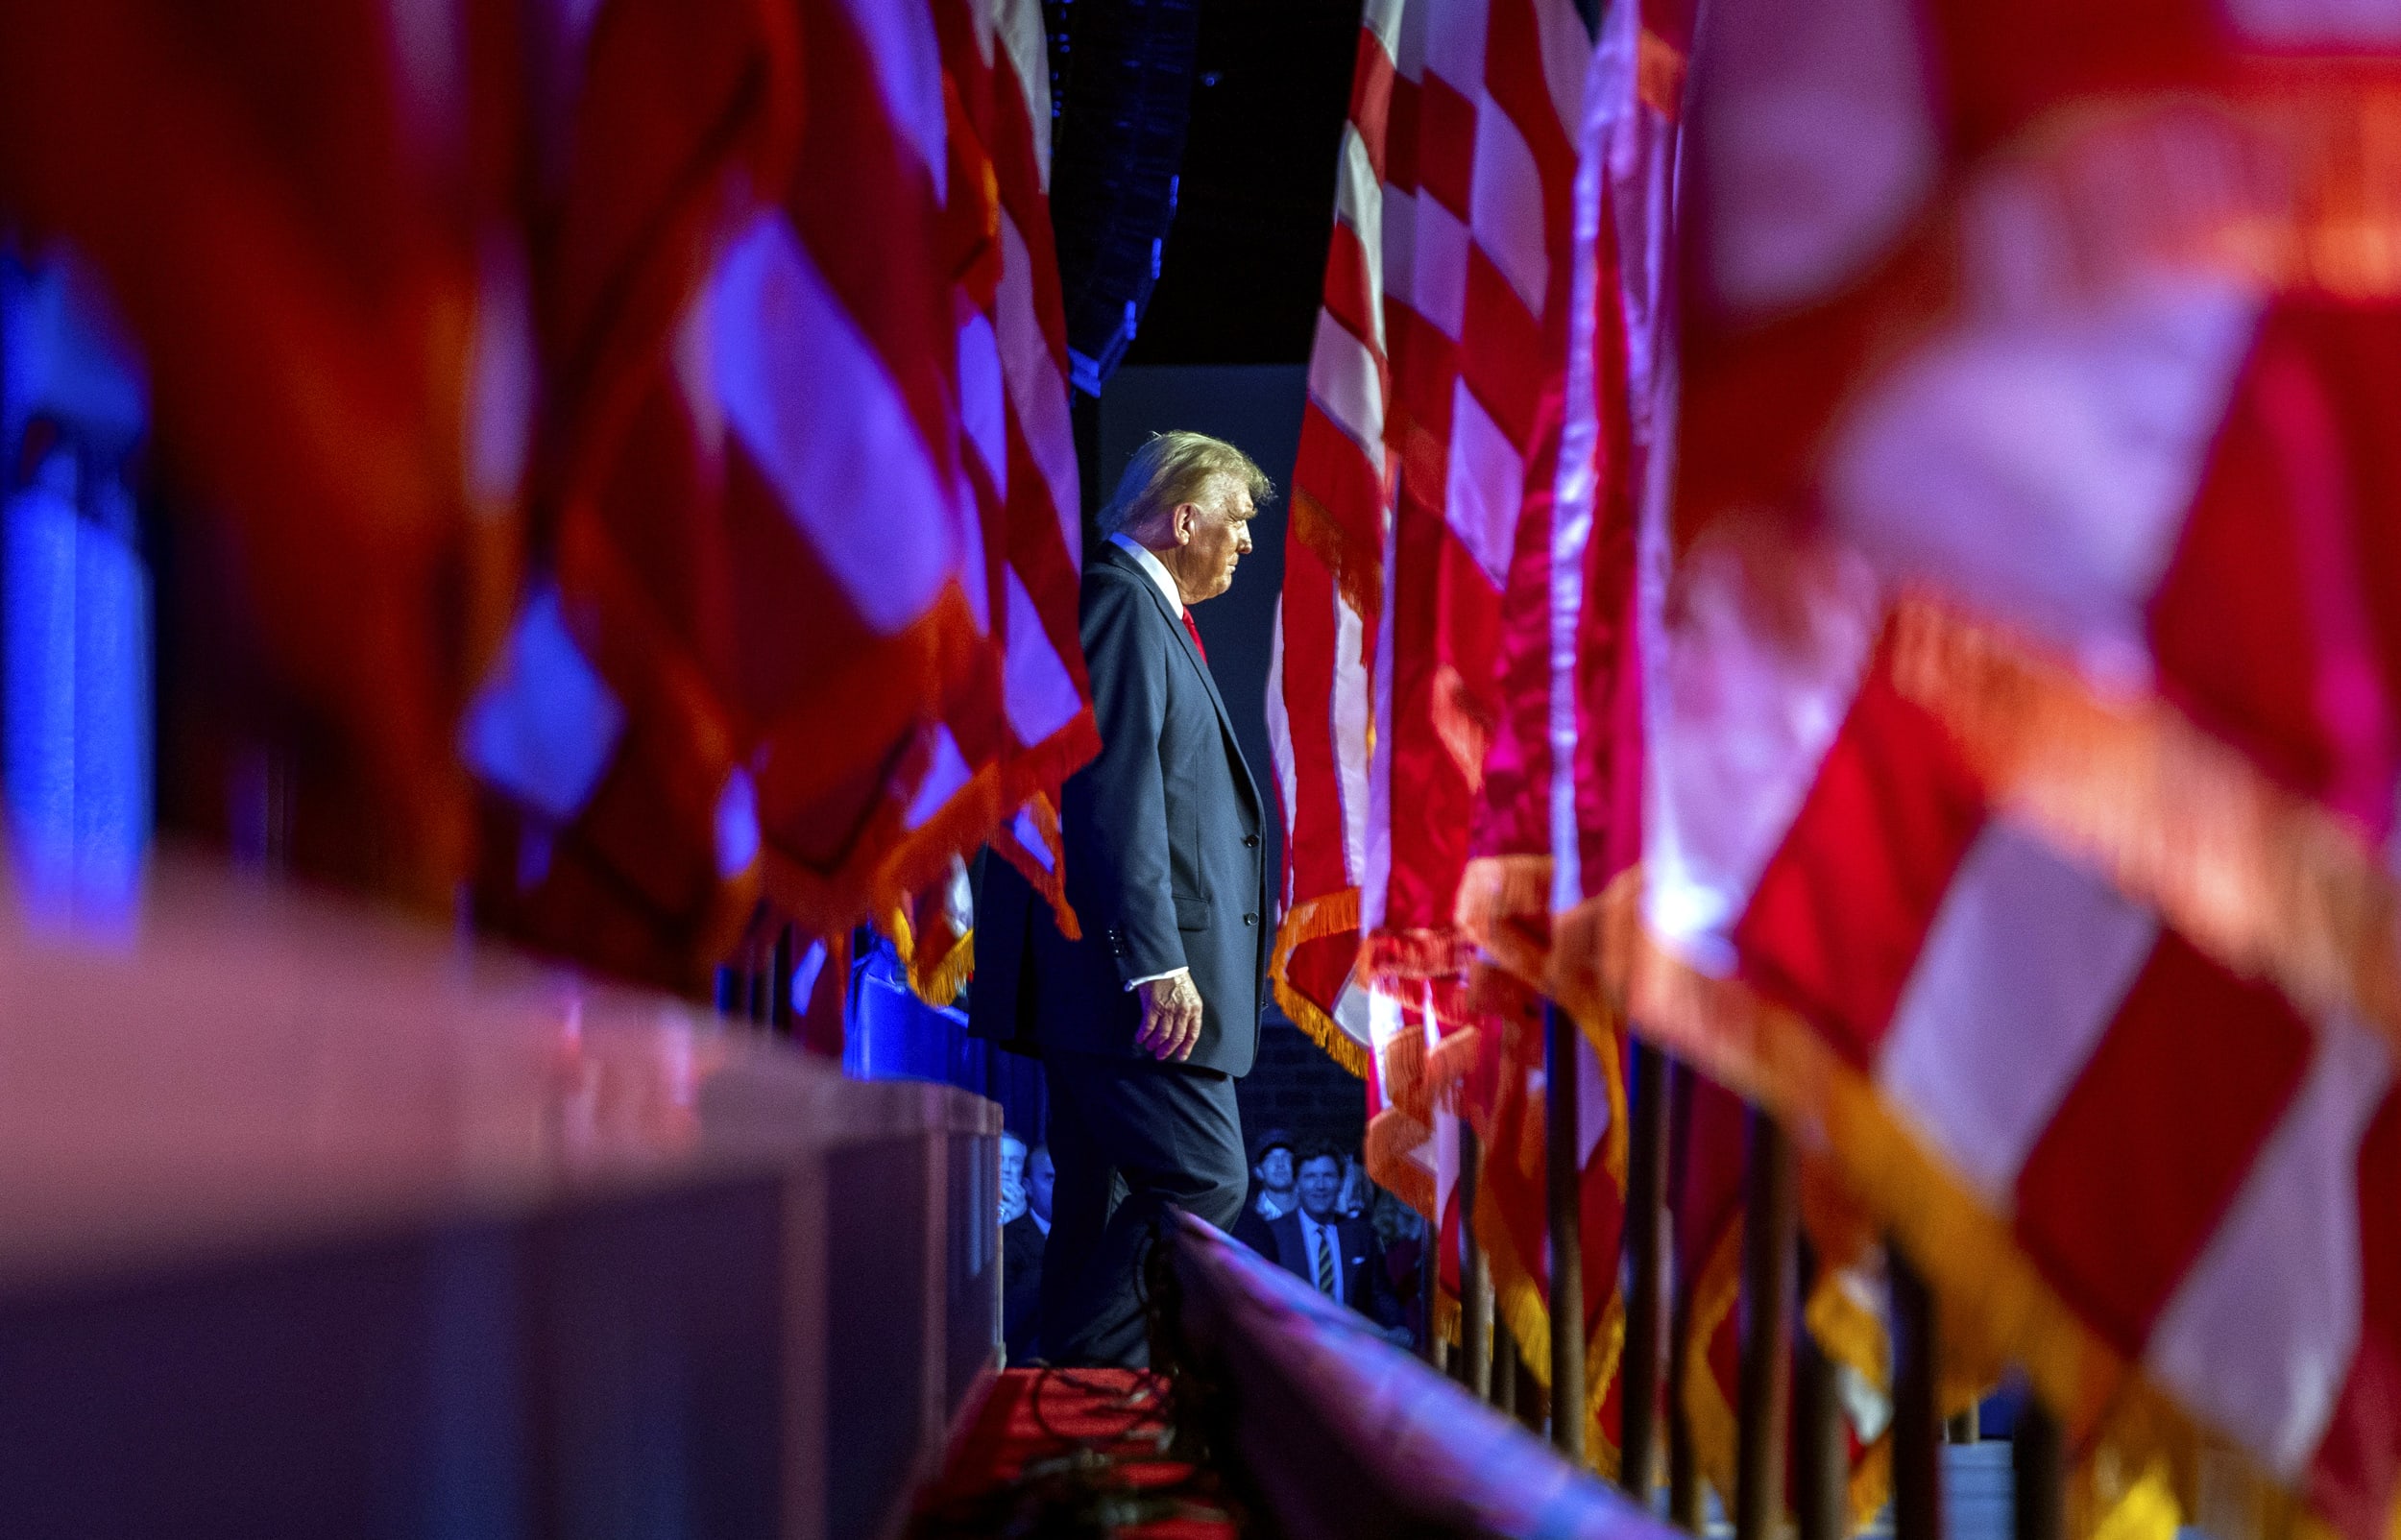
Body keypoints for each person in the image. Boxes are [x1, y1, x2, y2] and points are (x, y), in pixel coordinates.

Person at [970, 431, 1273, 1367]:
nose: (1247, 542)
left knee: (1099, 1195)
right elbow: (1111, 793)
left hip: (1109, 991)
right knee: (1205, 1177)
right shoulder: (1120, 602)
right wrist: (1156, 959)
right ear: (1184, 517)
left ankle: (1065, 1420)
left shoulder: (1145, 612)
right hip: (1128, 986)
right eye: (1239, 519)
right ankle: (1084, 1372)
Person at [1265, 1141, 1411, 1346]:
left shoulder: (1360, 1234)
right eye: (1310, 1177)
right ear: (1297, 1184)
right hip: (1293, 1349)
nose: (1320, 1186)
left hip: (1350, 1352)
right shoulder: (1274, 1234)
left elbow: (1378, 1293)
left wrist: (1398, 1328)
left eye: (1328, 1176)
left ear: (1341, 1182)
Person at [1003, 1143, 1053, 1361]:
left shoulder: (1090, 1235)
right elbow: (1002, 1318)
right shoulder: (1007, 1238)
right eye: (1050, 1178)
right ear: (1028, 1186)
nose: (1061, 1187)